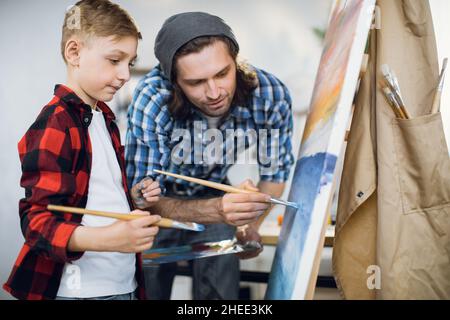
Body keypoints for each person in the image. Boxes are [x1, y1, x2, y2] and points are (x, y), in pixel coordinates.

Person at [126, 12, 294, 300]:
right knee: (146, 284)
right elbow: (141, 198)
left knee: (220, 288)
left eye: (222, 73)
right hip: (160, 203)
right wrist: (219, 210)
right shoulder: (152, 97)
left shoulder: (270, 93)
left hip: (215, 190)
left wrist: (249, 225)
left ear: (236, 60)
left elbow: (275, 173)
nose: (214, 92)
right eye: (196, 82)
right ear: (174, 80)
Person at [2, 0, 161, 300]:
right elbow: (37, 223)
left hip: (123, 282)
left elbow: (99, 193)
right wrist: (109, 239)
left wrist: (135, 197)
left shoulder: (104, 117)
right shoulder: (56, 123)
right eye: (115, 60)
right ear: (74, 52)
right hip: (80, 290)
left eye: (129, 62)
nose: (126, 75)